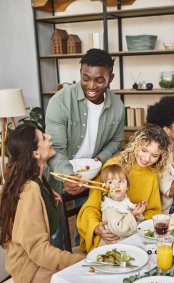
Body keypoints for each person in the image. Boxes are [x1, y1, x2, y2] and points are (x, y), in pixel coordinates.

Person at [0, 124, 84, 283]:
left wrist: (47, 197)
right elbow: (40, 251)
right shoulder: (29, 190)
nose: (49, 137)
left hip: (36, 262)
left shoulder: (36, 180)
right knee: (90, 282)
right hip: (31, 272)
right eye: (44, 138)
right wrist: (81, 260)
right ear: (35, 154)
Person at [77, 125, 169, 252]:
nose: (147, 159)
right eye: (144, 150)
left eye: (154, 155)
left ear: (161, 157)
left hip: (134, 233)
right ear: (136, 144)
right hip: (109, 236)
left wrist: (138, 219)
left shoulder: (151, 174)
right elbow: (92, 206)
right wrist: (96, 227)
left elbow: (153, 210)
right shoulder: (113, 167)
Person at [45, 48, 125, 195]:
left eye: (100, 80)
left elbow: (117, 141)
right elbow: (55, 148)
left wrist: (100, 158)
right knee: (59, 217)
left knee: (92, 216)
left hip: (95, 177)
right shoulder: (60, 102)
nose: (91, 86)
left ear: (111, 78)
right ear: (80, 72)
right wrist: (69, 177)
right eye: (86, 78)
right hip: (61, 177)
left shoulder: (118, 106)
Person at [100, 164, 147, 242]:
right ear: (105, 188)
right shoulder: (109, 208)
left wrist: (138, 211)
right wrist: (133, 214)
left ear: (127, 186)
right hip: (117, 245)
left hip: (129, 239)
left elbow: (134, 222)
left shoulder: (125, 201)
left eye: (120, 181)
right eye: (111, 182)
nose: (117, 185)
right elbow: (120, 229)